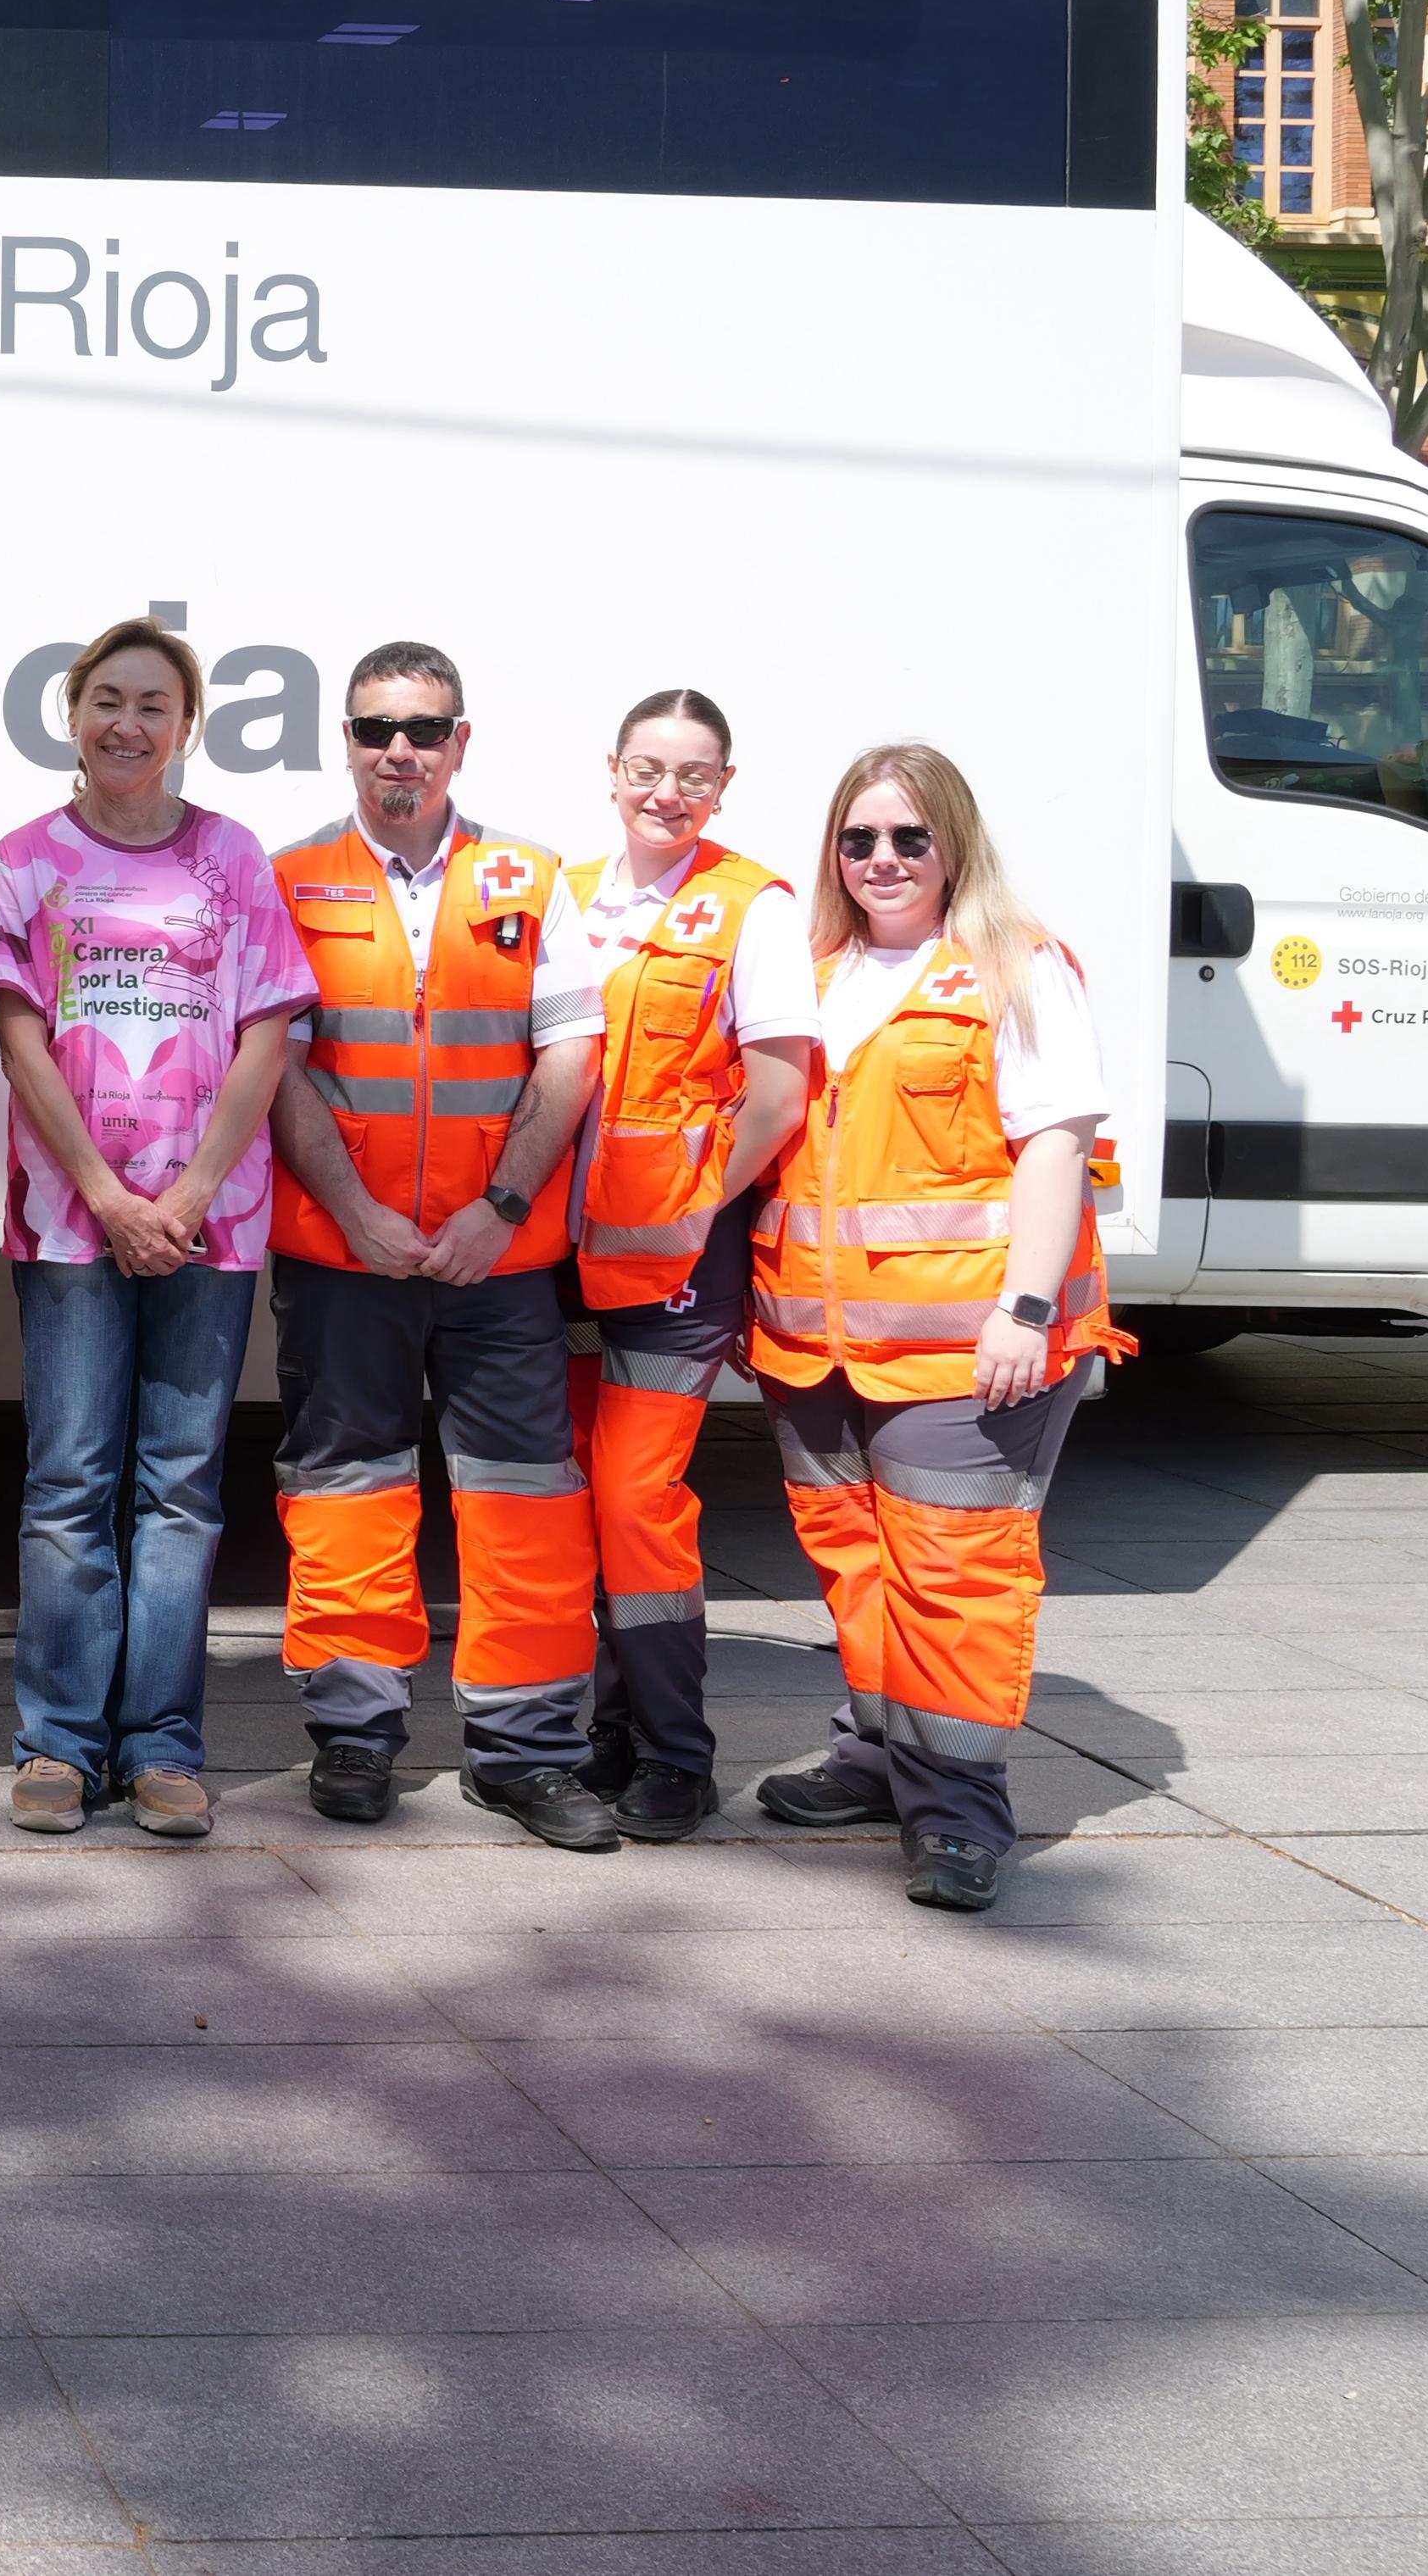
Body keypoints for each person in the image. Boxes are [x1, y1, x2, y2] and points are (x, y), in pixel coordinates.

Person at [747, 746, 1120, 1913]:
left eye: (909, 838)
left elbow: (1056, 1142)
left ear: (953, 841)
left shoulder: (1014, 967)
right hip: (814, 1344)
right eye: (859, 841)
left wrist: (1022, 1308)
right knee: (858, 1568)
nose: (883, 861)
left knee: (953, 1580)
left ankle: (958, 1816)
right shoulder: (812, 969)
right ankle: (878, 1756)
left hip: (969, 1348)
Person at [262, 641, 614, 1850]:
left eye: (423, 729)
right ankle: (355, 1735)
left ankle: (526, 1753)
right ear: (345, 741)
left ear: (462, 741)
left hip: (497, 1260)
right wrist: (360, 1215)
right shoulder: (290, 876)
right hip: (341, 1254)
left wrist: (500, 1210)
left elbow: (572, 1052)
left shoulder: (531, 876)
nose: (398, 751)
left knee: (525, 1505)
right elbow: (280, 1065)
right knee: (348, 1489)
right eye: (374, 730)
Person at [0, 618, 314, 1843]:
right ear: (74, 713)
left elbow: (266, 1034)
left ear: (187, 728)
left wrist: (183, 1198)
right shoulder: (29, 860)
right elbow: (20, 1037)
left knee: (178, 1490)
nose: (128, 723)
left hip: (206, 1229)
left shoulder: (232, 857)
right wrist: (110, 1194)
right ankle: (60, 1746)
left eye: (153, 705)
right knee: (70, 1484)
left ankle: (164, 1746)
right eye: (107, 700)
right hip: (73, 1224)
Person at [558, 687, 814, 1842]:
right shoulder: (562, 897)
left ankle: (674, 1752)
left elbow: (778, 1091)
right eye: (649, 770)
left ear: (724, 787)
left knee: (635, 1500)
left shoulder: (749, 907)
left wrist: (690, 1209)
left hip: (672, 1264)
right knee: (568, 1503)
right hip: (553, 1259)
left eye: (694, 776)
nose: (668, 793)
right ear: (612, 771)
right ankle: (605, 1733)